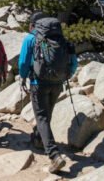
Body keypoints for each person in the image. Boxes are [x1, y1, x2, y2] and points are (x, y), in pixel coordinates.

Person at [19, 13, 78, 174]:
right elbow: (73, 63)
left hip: (39, 83)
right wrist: (66, 75)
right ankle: (39, 139)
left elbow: (24, 62)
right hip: (57, 83)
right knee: (47, 114)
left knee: (42, 116)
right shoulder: (61, 40)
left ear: (34, 25)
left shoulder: (31, 39)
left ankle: (54, 155)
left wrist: (23, 77)